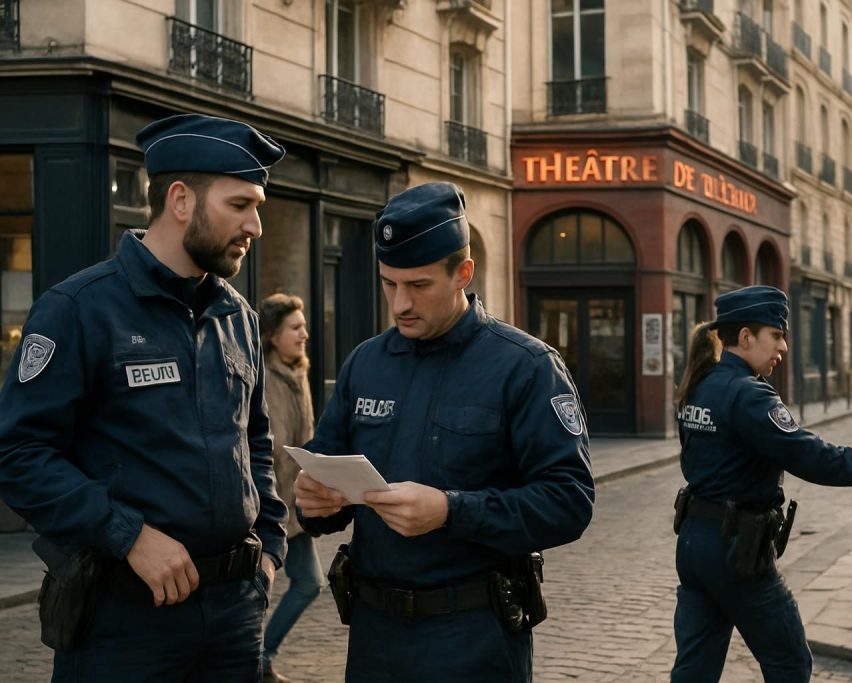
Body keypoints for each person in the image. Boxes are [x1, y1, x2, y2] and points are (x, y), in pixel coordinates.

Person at [0, 113, 288, 680]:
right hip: (124, 620)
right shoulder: (79, 308)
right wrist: (126, 534)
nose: (255, 225)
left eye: (258, 208)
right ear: (180, 200)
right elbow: (18, 455)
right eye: (240, 205)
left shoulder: (240, 318)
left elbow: (254, 438)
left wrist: (271, 545)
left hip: (234, 615)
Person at [293, 181, 595, 682]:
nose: (400, 304)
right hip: (374, 637)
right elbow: (326, 475)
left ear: (463, 273)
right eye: (389, 283)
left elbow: (568, 502)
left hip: (473, 637)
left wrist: (451, 512)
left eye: (419, 285)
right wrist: (316, 501)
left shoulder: (525, 366)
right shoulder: (365, 363)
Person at [671, 285, 852, 682]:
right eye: (776, 336)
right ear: (745, 337)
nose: (783, 348)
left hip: (694, 542)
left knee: (694, 669)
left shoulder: (701, 384)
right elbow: (808, 455)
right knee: (789, 661)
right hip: (734, 549)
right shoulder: (749, 394)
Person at [258, 293, 323, 683]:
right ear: (273, 337)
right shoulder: (263, 379)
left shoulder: (299, 372)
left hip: (295, 506)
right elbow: (269, 450)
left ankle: (260, 653)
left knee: (310, 582)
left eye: (303, 326)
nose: (304, 334)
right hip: (268, 507)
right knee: (255, 591)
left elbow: (306, 441)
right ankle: (249, 657)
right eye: (295, 328)